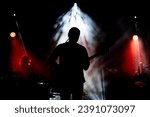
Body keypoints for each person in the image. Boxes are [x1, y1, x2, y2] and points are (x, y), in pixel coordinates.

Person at [47, 27, 90, 100]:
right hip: (77, 80)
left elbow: (50, 60)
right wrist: (81, 64)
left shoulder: (61, 47)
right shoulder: (81, 49)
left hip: (65, 79)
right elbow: (86, 67)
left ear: (68, 35)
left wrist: (59, 68)